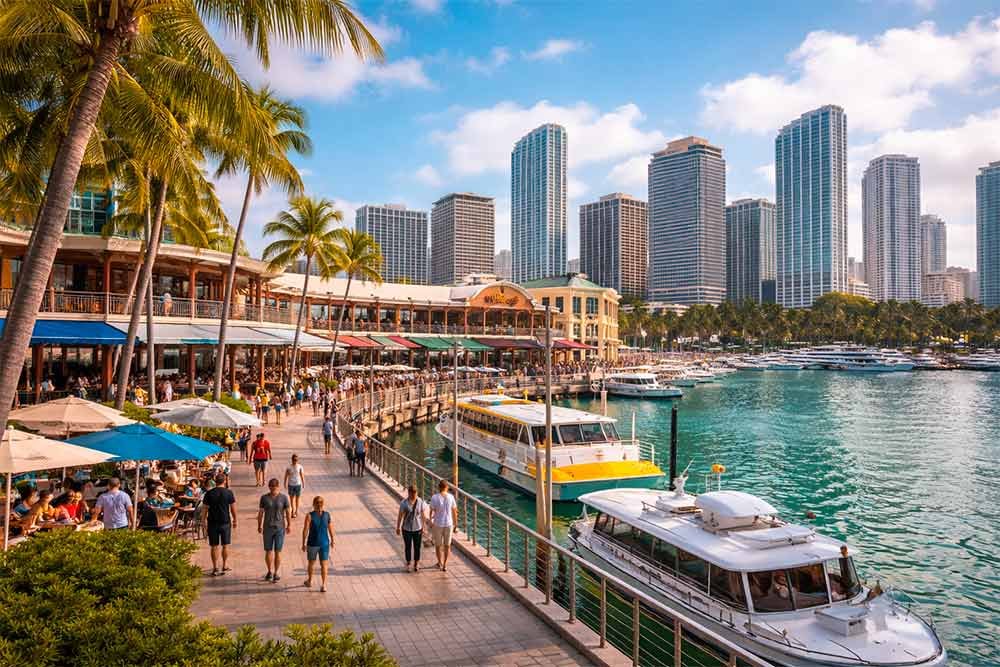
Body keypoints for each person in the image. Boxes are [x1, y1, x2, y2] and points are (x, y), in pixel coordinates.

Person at [203, 473, 237, 576]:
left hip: (212, 522)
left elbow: (204, 509)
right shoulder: (229, 493)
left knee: (214, 546)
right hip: (225, 522)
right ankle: (225, 565)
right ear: (225, 481)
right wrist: (235, 519)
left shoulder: (209, 493)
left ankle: (215, 567)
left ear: (215, 481)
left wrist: (203, 521)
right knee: (225, 545)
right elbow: (233, 508)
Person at [258, 478, 291, 583]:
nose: (273, 489)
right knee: (268, 551)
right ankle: (270, 571)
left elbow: (288, 512)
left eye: (274, 487)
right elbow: (260, 513)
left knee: (277, 551)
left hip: (279, 528)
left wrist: (289, 524)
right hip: (268, 528)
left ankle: (275, 572)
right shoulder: (264, 498)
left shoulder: (284, 498)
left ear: (278, 487)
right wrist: (259, 525)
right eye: (271, 487)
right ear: (269, 487)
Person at [302, 495, 334, 592]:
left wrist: (303, 543)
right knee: (324, 564)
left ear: (313, 504)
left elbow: (305, 530)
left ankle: (310, 581)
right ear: (323, 504)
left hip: (312, 543)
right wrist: (333, 540)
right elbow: (330, 528)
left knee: (311, 563)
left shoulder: (309, 516)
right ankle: (323, 585)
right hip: (324, 543)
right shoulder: (327, 515)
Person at [395, 485, 427, 572]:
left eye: (415, 493)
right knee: (408, 546)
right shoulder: (404, 503)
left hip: (418, 528)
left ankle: (416, 563)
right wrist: (398, 527)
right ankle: (408, 563)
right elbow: (400, 516)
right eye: (412, 493)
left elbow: (423, 515)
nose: (413, 495)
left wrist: (424, 527)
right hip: (406, 528)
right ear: (408, 493)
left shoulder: (420, 501)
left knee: (417, 547)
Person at [429, 480, 458, 572]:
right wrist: (455, 524)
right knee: (447, 545)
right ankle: (445, 564)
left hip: (438, 524)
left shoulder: (434, 497)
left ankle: (439, 562)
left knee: (438, 545)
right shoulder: (451, 497)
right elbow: (454, 511)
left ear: (439, 487)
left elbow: (431, 511)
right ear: (447, 487)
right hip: (449, 524)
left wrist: (431, 521)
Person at [283, 454, 306, 518]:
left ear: (298, 460)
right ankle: (293, 510)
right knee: (291, 499)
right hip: (291, 485)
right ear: (292, 460)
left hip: (298, 484)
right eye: (294, 460)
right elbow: (286, 476)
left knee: (297, 499)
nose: (295, 461)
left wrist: (303, 483)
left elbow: (302, 475)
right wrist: (284, 483)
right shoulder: (288, 467)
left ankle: (296, 510)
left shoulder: (300, 467)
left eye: (296, 460)